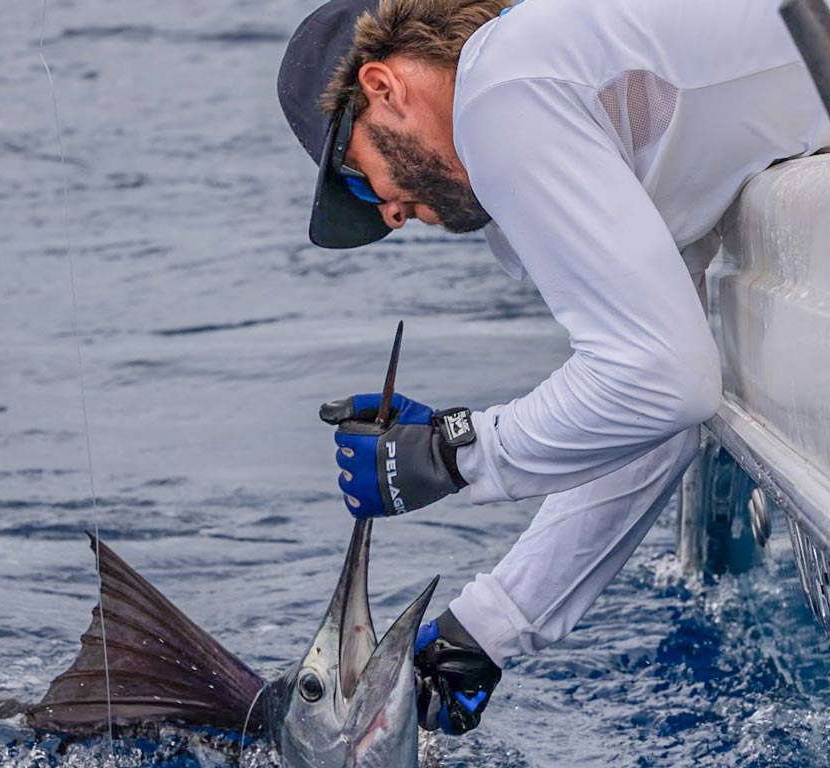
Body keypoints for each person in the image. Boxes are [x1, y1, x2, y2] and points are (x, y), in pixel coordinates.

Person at [277, 0, 830, 736]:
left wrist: (453, 452)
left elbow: (662, 378)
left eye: (356, 179)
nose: (387, 214)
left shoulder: (498, 88)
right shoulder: (579, 88)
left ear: (382, 85)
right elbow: (654, 415)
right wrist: (486, 629)